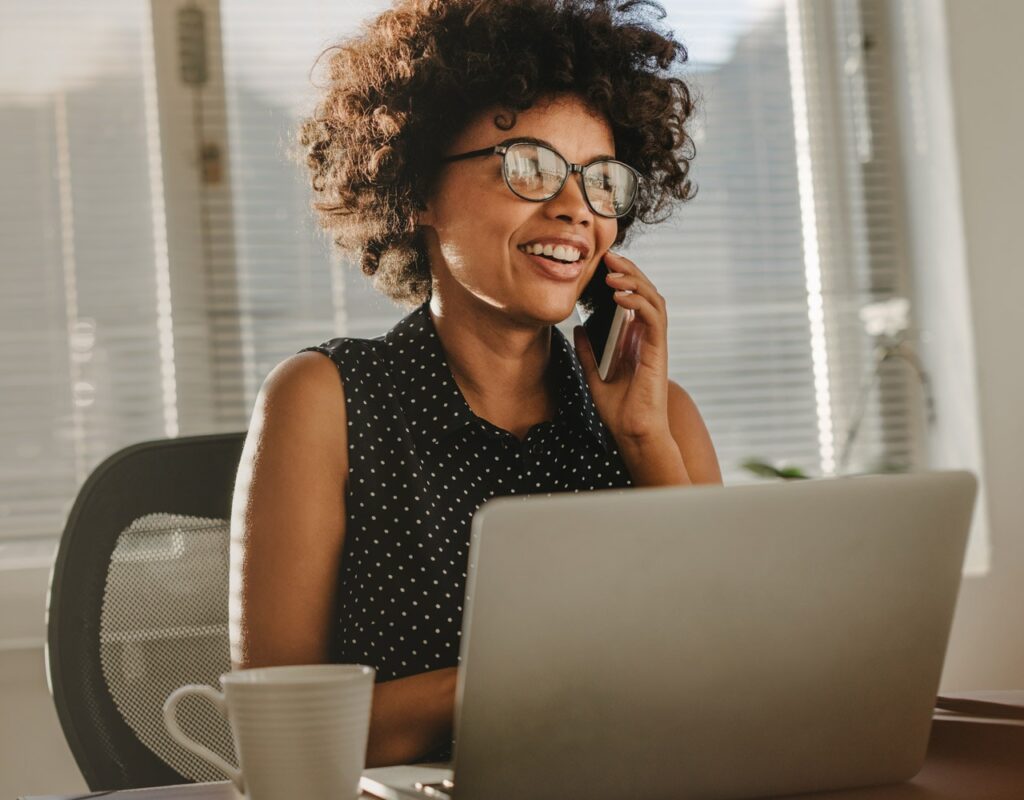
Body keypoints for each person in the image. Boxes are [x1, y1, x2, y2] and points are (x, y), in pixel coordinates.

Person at [229, 0, 722, 768]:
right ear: (418, 189)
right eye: (528, 167)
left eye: (602, 182)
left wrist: (644, 442)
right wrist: (531, 679)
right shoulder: (324, 400)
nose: (574, 209)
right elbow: (282, 733)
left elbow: (733, 687)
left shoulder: (659, 418)